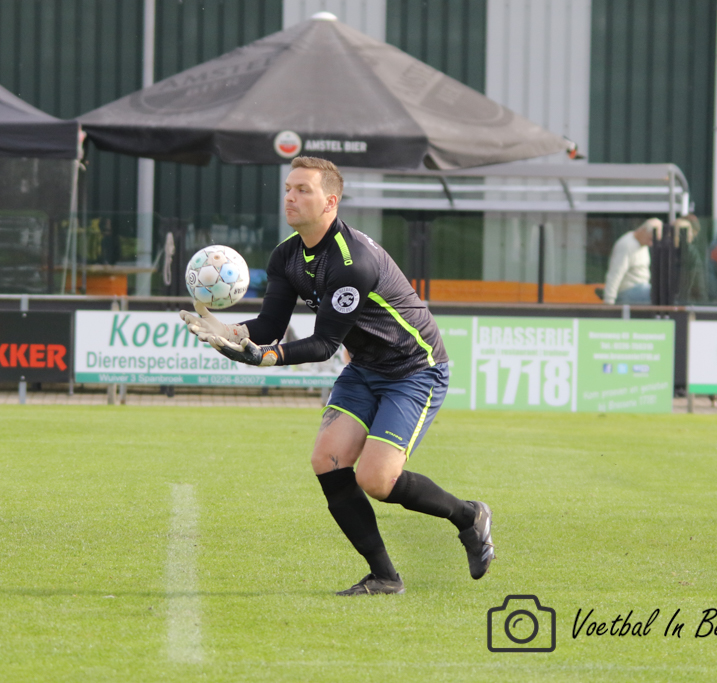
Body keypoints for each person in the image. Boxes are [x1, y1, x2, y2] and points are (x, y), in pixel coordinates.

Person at [180, 157, 492, 596]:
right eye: (288, 188)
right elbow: (269, 326)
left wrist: (265, 358)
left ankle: (468, 516)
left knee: (376, 481)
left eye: (302, 190)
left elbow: (324, 344)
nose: (290, 197)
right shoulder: (286, 254)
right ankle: (385, 577)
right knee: (326, 460)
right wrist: (231, 332)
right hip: (364, 368)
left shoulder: (352, 261)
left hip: (414, 370)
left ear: (330, 202)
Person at [602, 218, 660, 305]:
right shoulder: (626, 245)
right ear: (643, 231)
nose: (651, 244)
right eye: (650, 239)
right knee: (656, 294)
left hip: (641, 289)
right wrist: (609, 301)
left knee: (659, 292)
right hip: (627, 291)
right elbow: (615, 273)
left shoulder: (643, 245)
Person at [675, 214, 706, 304]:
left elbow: (698, 283)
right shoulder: (663, 252)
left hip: (686, 302)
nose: (691, 237)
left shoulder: (693, 254)